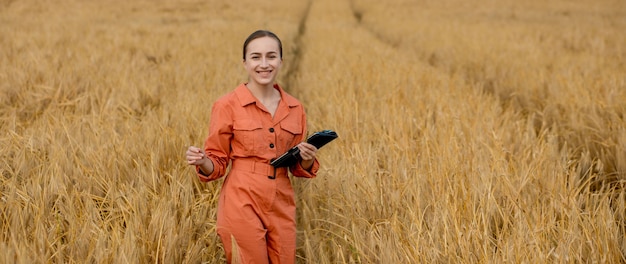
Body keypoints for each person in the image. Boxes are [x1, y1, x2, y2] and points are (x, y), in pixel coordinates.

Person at [185, 30, 320, 264]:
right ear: (245, 62)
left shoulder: (295, 107)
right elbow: (216, 164)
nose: (264, 64)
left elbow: (298, 168)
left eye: (271, 56)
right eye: (256, 57)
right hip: (241, 197)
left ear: (281, 61)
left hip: (282, 199)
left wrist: (307, 157)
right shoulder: (227, 105)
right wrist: (202, 160)